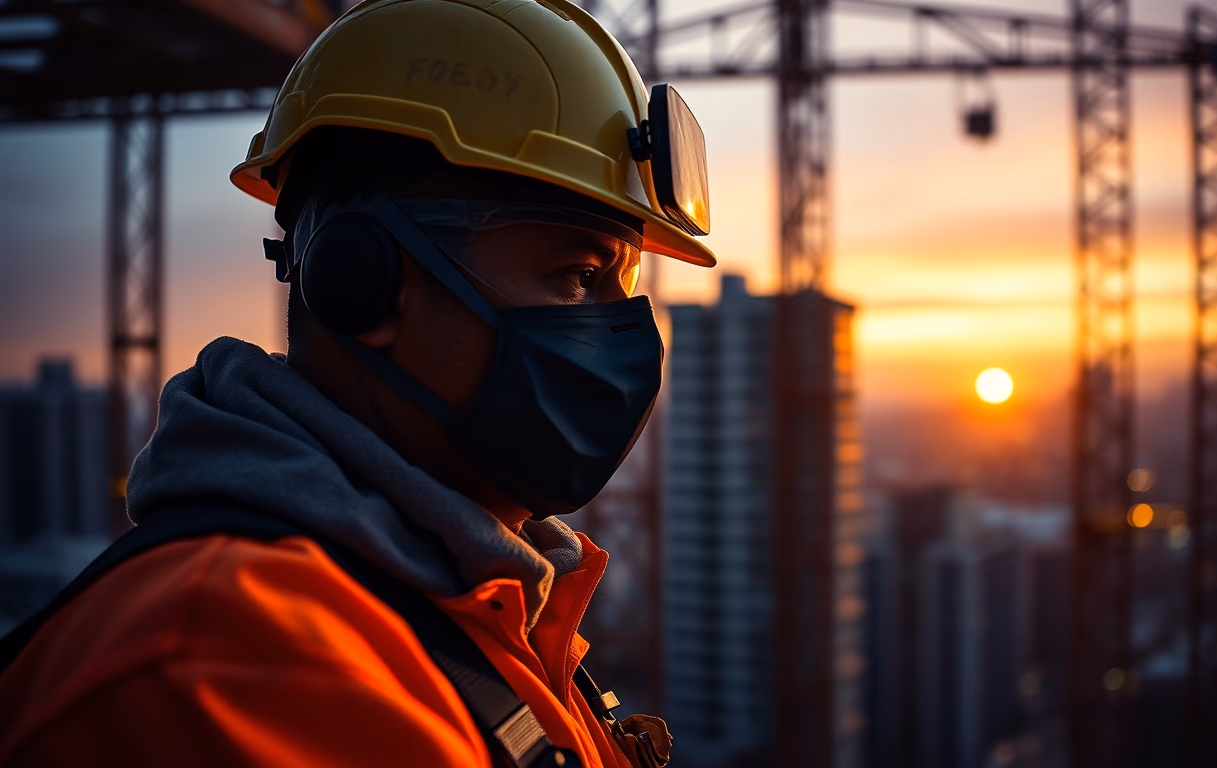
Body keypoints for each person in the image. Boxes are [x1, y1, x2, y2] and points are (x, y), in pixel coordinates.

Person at [0, 1, 714, 765]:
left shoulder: (484, 601)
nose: (628, 328)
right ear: (362, 282)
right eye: (578, 276)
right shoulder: (237, 662)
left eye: (626, 278)